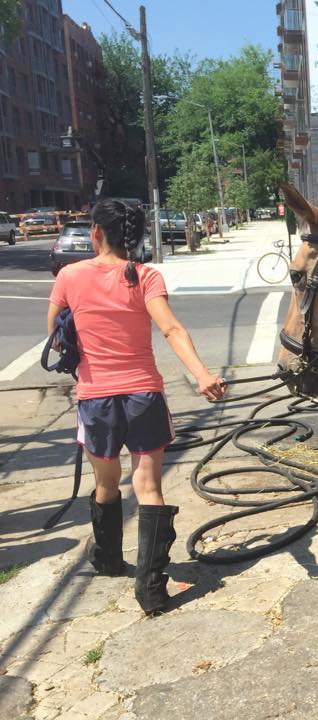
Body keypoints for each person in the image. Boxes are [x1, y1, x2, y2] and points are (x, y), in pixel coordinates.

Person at [47, 198, 226, 615]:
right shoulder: (145, 276)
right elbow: (171, 328)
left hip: (96, 399)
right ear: (138, 237)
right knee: (149, 488)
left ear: (96, 233)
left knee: (106, 484)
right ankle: (151, 591)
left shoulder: (70, 276)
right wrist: (201, 374)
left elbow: (56, 338)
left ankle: (109, 560)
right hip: (144, 396)